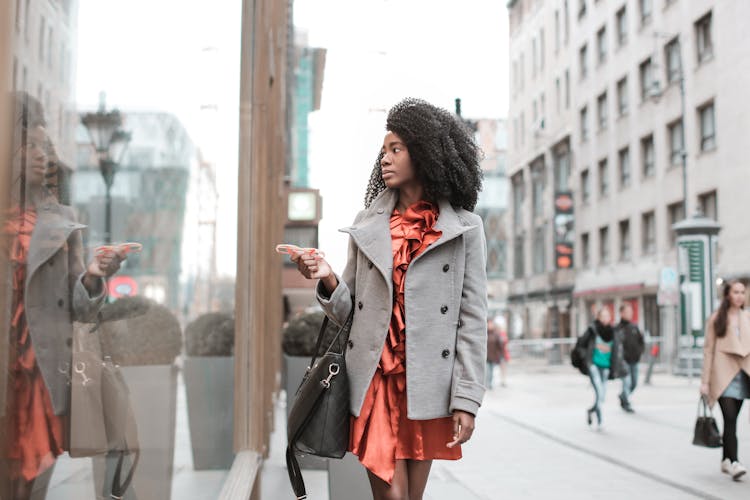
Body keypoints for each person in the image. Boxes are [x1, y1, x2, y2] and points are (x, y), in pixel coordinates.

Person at [291, 98, 487, 500]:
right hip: (376, 378)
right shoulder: (367, 225)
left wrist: (467, 400)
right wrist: (326, 276)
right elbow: (348, 310)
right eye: (383, 150)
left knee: (410, 496)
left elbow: (472, 319)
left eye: (397, 149)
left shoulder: (465, 229)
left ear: (426, 153)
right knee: (391, 495)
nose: (386, 158)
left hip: (428, 380)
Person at [0, 92, 125, 500]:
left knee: (32, 476)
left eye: (44, 147)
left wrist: (93, 275)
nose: (39, 154)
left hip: (37, 371)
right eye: (28, 146)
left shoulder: (62, 222)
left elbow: (80, 306)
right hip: (6, 365)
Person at [700, 280, 750, 481]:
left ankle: (725, 459)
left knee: (733, 420)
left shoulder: (747, 317)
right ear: (728, 295)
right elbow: (708, 350)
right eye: (736, 292)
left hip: (744, 375)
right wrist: (705, 381)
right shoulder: (716, 319)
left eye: (742, 292)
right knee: (729, 419)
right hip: (723, 375)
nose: (739, 296)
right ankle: (735, 462)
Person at [579, 307, 626, 429]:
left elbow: (617, 350)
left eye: (607, 315)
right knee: (599, 392)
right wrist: (586, 360)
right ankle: (600, 421)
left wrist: (617, 366)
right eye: (603, 316)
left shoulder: (613, 332)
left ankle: (591, 410)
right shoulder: (592, 330)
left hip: (606, 368)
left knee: (602, 395)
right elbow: (581, 345)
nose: (606, 318)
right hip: (594, 366)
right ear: (599, 318)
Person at [616, 303, 644, 413]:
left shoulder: (634, 327)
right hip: (623, 362)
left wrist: (639, 353)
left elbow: (641, 342)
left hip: (634, 360)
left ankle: (623, 396)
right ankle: (626, 403)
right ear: (621, 313)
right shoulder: (617, 329)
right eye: (627, 312)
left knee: (634, 383)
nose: (629, 314)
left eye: (630, 312)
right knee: (626, 382)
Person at [486, 319, 504, 389]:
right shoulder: (485, 334)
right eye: (489, 324)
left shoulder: (496, 334)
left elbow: (499, 346)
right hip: (486, 357)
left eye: (491, 324)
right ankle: (487, 383)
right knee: (487, 371)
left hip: (493, 357)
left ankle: (490, 383)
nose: (490, 325)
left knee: (491, 371)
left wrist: (500, 355)